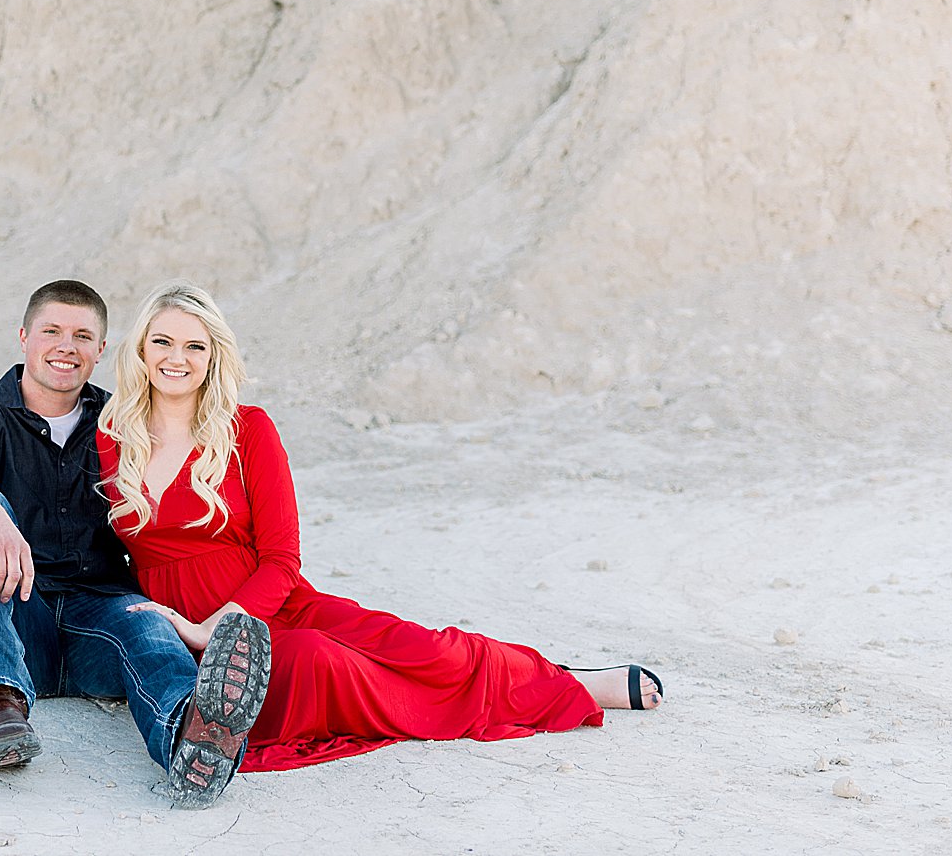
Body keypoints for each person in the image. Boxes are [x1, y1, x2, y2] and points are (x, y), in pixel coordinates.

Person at [96, 282, 665, 771]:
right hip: (178, 631)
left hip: (265, 604)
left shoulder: (248, 430)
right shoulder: (110, 436)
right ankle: (536, 683)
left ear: (214, 356)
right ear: (141, 350)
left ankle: (563, 681)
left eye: (195, 345)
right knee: (320, 661)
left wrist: (216, 627)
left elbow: (282, 560)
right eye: (163, 341)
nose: (178, 357)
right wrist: (183, 632)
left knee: (421, 650)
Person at [0, 279, 272, 807]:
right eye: (51, 331)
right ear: (24, 337)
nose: (65, 347)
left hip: (100, 617)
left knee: (149, 624)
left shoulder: (121, 423)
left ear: (101, 351)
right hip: (14, 622)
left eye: (82, 336)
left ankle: (191, 739)